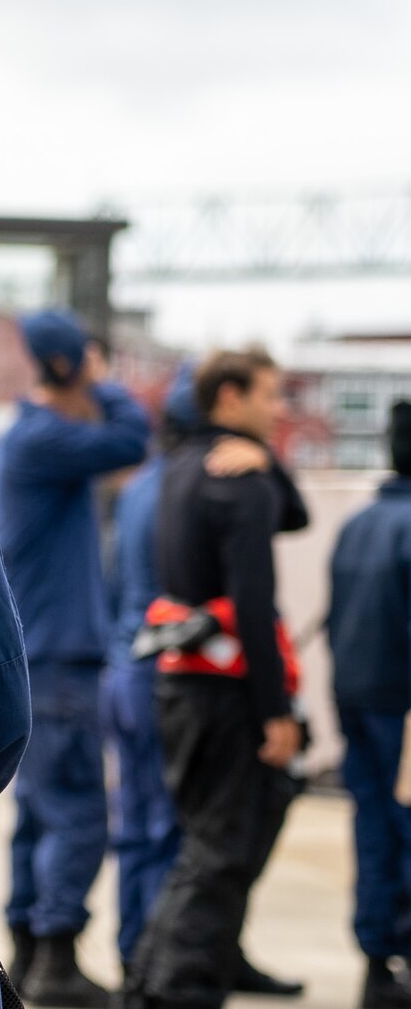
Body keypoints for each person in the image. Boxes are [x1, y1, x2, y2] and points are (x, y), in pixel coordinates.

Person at [101, 362, 302, 997]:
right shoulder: (240, 482)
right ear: (230, 396)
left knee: (190, 849)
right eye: (270, 395)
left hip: (170, 684)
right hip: (227, 694)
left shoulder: (174, 474)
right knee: (219, 856)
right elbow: (253, 607)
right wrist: (276, 711)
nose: (278, 409)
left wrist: (266, 462)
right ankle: (176, 988)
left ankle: (146, 980)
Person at [0, 309, 149, 1005]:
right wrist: (101, 382)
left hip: (40, 654)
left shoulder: (30, 439)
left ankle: (30, 951)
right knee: (81, 810)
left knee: (39, 812)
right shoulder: (45, 438)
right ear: (71, 365)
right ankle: (55, 958)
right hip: (61, 659)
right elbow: (132, 437)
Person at [329, 400, 411, 1008]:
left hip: (355, 696)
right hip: (402, 705)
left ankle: (376, 962)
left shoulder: (359, 523)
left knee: (372, 827)